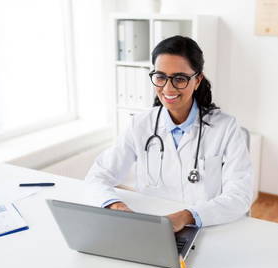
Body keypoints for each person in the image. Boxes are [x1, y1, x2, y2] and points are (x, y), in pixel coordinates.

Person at [85, 35, 253, 232]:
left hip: (207, 226)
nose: (168, 88)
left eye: (180, 79)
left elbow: (240, 196)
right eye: (161, 77)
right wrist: (115, 205)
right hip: (153, 228)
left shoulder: (225, 128)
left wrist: (187, 216)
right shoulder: (140, 125)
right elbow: (98, 176)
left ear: (197, 80)